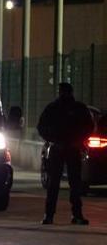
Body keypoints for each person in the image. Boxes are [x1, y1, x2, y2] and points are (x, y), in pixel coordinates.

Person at [37, 82, 95, 225]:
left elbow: (89, 126)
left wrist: (54, 140)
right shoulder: (74, 108)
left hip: (65, 148)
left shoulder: (57, 108)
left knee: (61, 183)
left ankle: (52, 215)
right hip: (65, 148)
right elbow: (89, 126)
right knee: (67, 183)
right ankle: (71, 215)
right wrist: (76, 140)